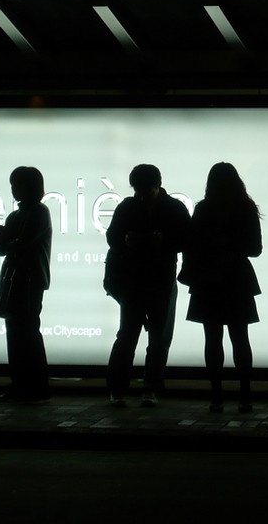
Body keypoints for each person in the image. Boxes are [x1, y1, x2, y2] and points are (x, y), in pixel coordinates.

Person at [105, 164, 191, 407]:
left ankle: (119, 389)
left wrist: (127, 241)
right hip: (158, 279)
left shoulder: (128, 207)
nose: (141, 195)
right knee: (155, 338)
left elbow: (112, 238)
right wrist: (162, 241)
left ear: (157, 186)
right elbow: (187, 239)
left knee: (130, 336)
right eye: (138, 191)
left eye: (144, 191)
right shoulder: (174, 207)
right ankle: (148, 389)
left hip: (139, 280)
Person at [181, 162, 262, 413]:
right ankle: (245, 396)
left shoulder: (204, 208)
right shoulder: (246, 208)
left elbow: (191, 245)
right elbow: (255, 249)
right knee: (240, 339)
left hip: (208, 281)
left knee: (213, 341)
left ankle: (217, 397)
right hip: (238, 280)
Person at [0, 166, 52, 402]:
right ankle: (23, 383)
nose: (14, 190)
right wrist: (6, 240)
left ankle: (35, 385)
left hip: (29, 280)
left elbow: (22, 243)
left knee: (26, 333)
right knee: (17, 334)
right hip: (15, 280)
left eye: (18, 185)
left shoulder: (38, 212)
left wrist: (6, 240)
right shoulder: (17, 215)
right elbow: (5, 248)